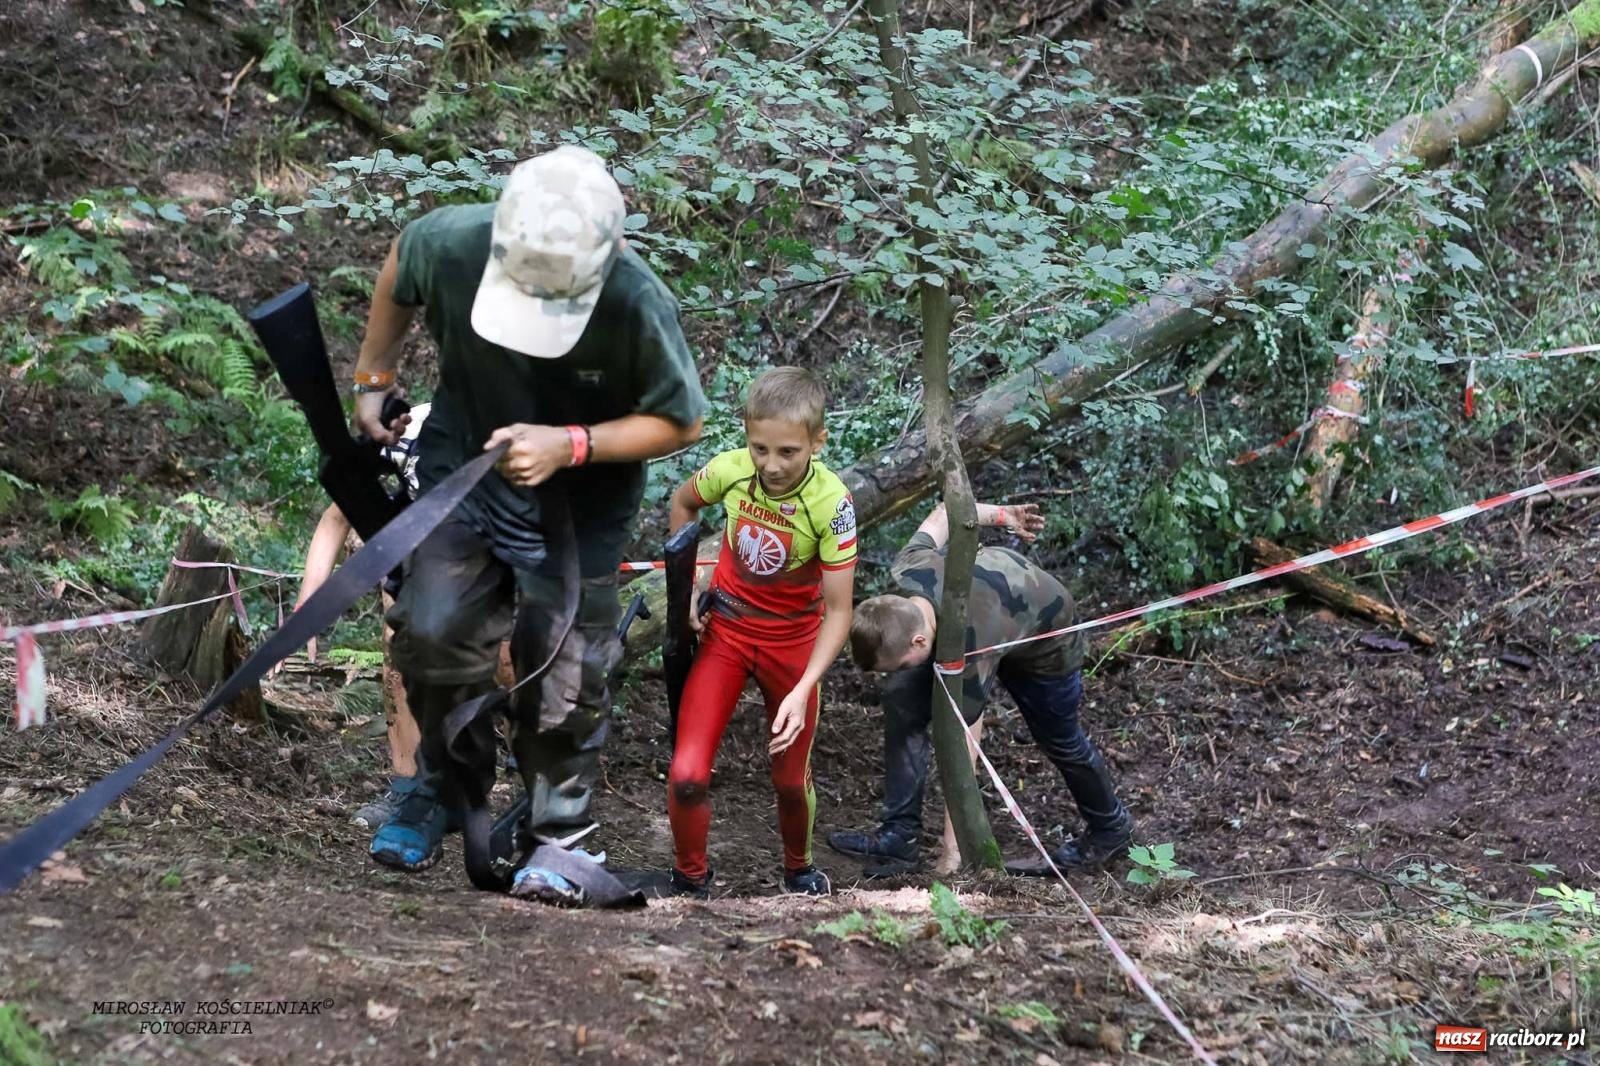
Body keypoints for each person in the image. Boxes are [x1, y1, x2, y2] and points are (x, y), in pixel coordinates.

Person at [348, 145, 707, 892]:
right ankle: (443, 788)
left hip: (582, 504)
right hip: (465, 469)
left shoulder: (638, 301)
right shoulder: (453, 242)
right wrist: (373, 378)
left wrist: (571, 445)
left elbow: (681, 421)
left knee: (565, 669)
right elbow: (401, 263)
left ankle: (560, 834)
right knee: (430, 632)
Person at [830, 500, 1134, 877]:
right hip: (992, 618)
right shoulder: (910, 565)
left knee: (1060, 738)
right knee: (901, 697)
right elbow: (945, 511)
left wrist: (952, 855)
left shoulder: (972, 640)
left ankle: (1111, 829)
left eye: (900, 664)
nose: (895, 672)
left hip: (1045, 642)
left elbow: (963, 745)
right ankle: (899, 837)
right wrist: (1004, 517)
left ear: (919, 641)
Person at [664, 367, 857, 897]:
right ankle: (689, 880)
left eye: (788, 452)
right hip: (726, 632)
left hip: (793, 647)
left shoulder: (833, 503)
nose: (771, 465)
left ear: (818, 442)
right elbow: (683, 503)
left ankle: (799, 869)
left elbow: (840, 612)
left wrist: (803, 688)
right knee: (687, 774)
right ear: (747, 435)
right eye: (760, 449)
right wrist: (690, 587)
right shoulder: (730, 470)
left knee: (791, 780)